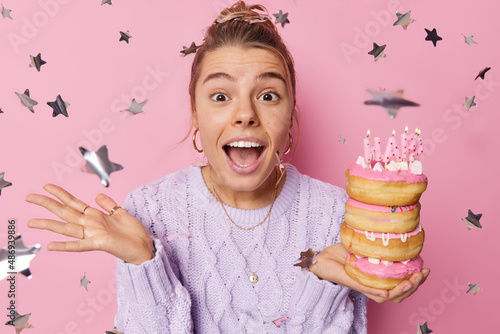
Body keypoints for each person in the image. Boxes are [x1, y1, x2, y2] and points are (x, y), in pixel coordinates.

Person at [25, 2, 430, 333]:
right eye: (220, 96)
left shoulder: (337, 216)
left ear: (291, 115)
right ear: (195, 114)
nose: (245, 115)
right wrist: (144, 262)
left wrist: (322, 281)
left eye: (268, 95)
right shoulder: (150, 211)